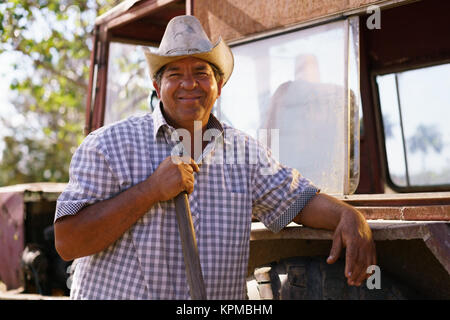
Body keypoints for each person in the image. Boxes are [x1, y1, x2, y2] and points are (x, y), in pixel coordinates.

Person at [54, 15, 376, 300]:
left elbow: (297, 199)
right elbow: (68, 242)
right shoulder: (108, 146)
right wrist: (150, 190)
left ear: (219, 85)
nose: (190, 83)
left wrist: (349, 217)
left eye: (201, 72)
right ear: (157, 84)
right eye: (175, 73)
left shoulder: (244, 153)